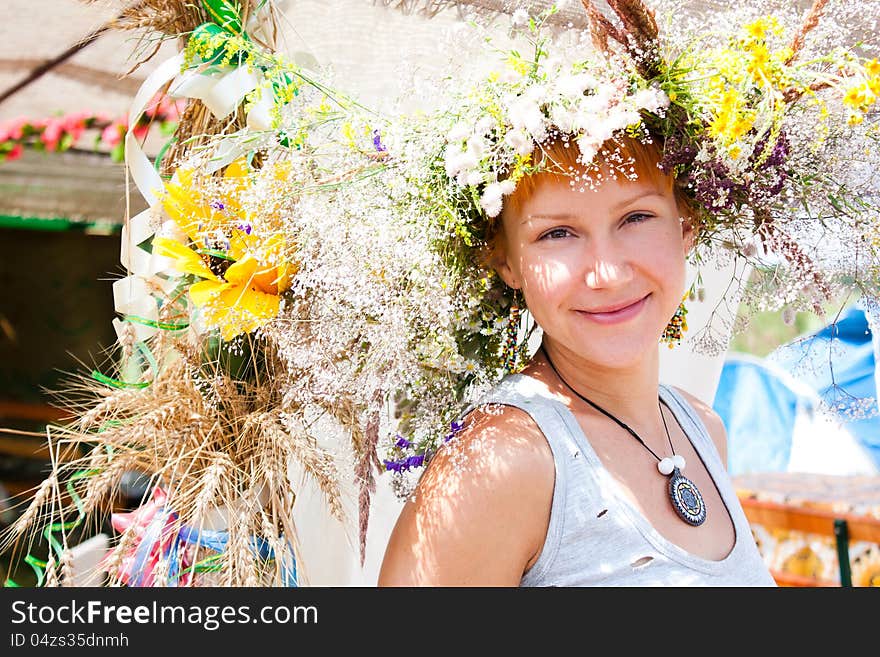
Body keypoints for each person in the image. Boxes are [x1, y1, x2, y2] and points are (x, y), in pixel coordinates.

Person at [378, 134, 776, 586]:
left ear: (687, 225)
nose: (607, 273)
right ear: (505, 260)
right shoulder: (501, 463)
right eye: (557, 233)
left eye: (637, 217)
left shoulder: (702, 429)